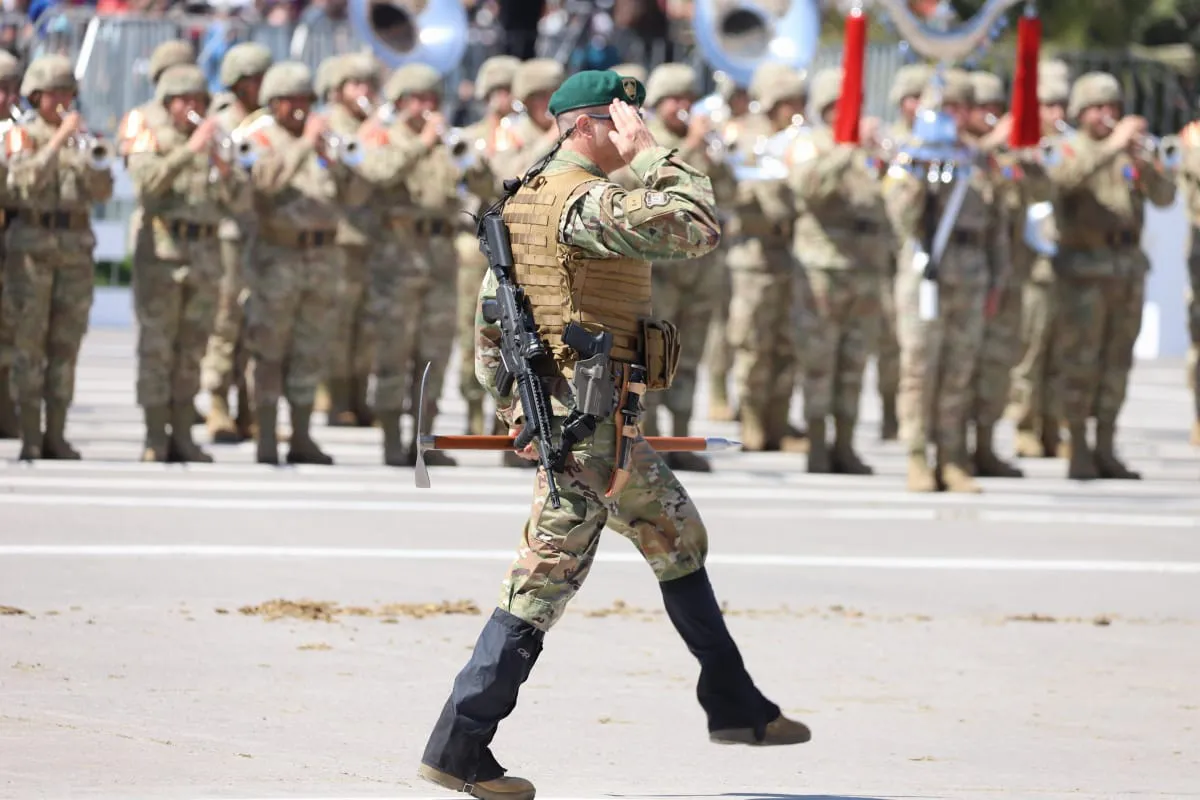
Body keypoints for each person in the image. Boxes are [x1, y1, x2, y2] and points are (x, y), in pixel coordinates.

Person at [417, 70, 809, 800]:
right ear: (586, 125)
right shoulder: (585, 202)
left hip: (587, 424)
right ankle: (460, 743)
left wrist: (511, 412)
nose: (630, 130)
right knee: (540, 583)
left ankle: (735, 706)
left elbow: (489, 320)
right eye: (620, 119)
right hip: (591, 431)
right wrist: (658, 154)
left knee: (676, 536)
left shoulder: (526, 198)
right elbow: (697, 226)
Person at [239, 61, 371, 466]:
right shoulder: (259, 137)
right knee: (270, 349)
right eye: (291, 101)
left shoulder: (323, 142)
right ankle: (265, 434)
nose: (299, 108)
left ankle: (300, 435)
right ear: (274, 103)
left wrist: (337, 162)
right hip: (278, 257)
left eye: (305, 101)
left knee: (309, 349)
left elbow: (357, 196)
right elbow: (264, 184)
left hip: (323, 257)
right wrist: (302, 147)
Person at [882, 71, 1007, 493]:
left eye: (959, 108)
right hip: (925, 276)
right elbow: (900, 220)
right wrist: (921, 173)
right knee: (919, 369)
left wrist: (997, 281)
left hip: (971, 277)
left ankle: (953, 457)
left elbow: (999, 224)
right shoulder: (910, 158)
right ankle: (917, 456)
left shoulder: (978, 160)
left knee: (959, 371)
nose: (952, 117)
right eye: (945, 108)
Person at [1047, 72, 1176, 480]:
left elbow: (1165, 198)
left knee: (1116, 363)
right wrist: (1111, 147)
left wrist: (1146, 165)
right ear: (1081, 112)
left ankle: (1106, 444)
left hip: (1126, 270)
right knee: (1080, 362)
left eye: (1113, 108)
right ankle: (1078, 447)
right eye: (1099, 108)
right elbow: (1062, 181)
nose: (1108, 115)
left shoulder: (1129, 152)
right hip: (1085, 269)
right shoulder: (1068, 148)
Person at [360, 63, 484, 468]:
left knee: (434, 354)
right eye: (418, 99)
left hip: (439, 258)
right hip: (397, 258)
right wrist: (419, 144)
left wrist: (462, 154)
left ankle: (424, 441)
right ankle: (391, 441)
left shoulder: (448, 143)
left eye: (432, 99)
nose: (427, 107)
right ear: (400, 103)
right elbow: (378, 172)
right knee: (393, 353)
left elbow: (483, 183)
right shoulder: (383, 137)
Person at [126, 64, 251, 463]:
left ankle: (183, 435)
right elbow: (146, 185)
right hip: (162, 255)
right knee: (157, 349)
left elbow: (240, 201)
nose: (194, 108)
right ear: (168, 104)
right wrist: (189, 151)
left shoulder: (215, 142)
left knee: (191, 350)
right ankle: (154, 436)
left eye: (200, 100)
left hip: (205, 257)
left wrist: (227, 168)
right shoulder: (151, 134)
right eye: (185, 101)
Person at [4, 54, 114, 461]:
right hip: (31, 250)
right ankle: (31, 434)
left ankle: (57, 433)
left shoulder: (82, 138)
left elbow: (102, 191)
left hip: (74, 250)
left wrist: (88, 153)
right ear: (36, 96)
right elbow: (25, 181)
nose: (63, 101)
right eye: (54, 94)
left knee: (65, 346)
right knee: (29, 345)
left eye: (68, 93)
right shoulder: (22, 134)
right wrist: (56, 140)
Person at [791, 67, 891, 474]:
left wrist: (880, 157)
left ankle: (845, 444)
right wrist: (846, 150)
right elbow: (807, 187)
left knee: (853, 361)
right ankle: (817, 443)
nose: (844, 113)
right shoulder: (810, 144)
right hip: (822, 269)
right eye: (836, 106)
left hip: (865, 270)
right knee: (819, 359)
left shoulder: (871, 149)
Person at [637, 62, 735, 471]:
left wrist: (716, 154)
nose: (683, 107)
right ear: (658, 104)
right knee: (652, 356)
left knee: (689, 356)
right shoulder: (646, 146)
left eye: (688, 99)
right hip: (660, 271)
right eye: (674, 99)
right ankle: (650, 439)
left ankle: (681, 437)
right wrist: (694, 147)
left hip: (699, 270)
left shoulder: (706, 145)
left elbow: (728, 192)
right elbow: (657, 190)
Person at [726, 62, 808, 453]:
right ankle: (753, 419)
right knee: (754, 343)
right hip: (755, 259)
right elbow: (752, 191)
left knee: (787, 344)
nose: (795, 109)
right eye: (787, 102)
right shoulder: (749, 139)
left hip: (792, 256)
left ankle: (780, 421)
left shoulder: (799, 140)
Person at [200, 41, 273, 445]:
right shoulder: (222, 120)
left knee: (257, 325)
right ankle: (217, 406)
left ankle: (252, 411)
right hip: (228, 234)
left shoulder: (269, 121)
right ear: (240, 82)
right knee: (225, 321)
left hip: (261, 233)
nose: (263, 85)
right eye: (256, 78)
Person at [454, 54, 520, 443]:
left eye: (509, 90)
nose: (503, 98)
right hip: (478, 246)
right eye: (497, 90)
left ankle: (506, 416)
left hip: (513, 247)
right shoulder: (472, 135)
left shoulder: (526, 136)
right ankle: (472, 411)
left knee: (511, 333)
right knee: (472, 331)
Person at [1009, 71, 1072, 459]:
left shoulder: (1070, 147)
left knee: (1061, 354)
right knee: (1030, 353)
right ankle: (1024, 426)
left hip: (1067, 265)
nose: (1055, 112)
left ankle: (1054, 427)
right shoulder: (1021, 148)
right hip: (1032, 267)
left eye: (1060, 105)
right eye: (1047, 105)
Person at [874, 63, 932, 441]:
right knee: (888, 343)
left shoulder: (939, 141)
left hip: (923, 256)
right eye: (911, 98)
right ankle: (889, 414)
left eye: (923, 98)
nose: (917, 106)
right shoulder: (889, 141)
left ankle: (906, 416)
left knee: (914, 345)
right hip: (888, 253)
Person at [324, 52, 381, 428]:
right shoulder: (330, 125)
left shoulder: (377, 124)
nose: (363, 92)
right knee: (339, 322)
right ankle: (336, 398)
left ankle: (361, 397)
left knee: (369, 323)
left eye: (367, 85)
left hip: (375, 237)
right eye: (355, 84)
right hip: (341, 237)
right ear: (339, 89)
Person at [0, 50, 23, 440]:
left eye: (9, 89)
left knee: (11, 332)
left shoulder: (23, 132)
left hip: (14, 243)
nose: (4, 98)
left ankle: (6, 412)